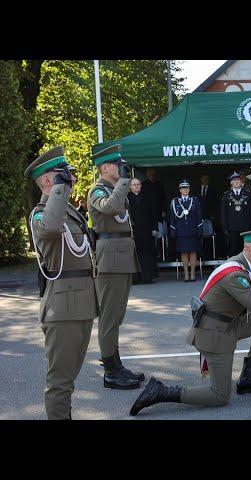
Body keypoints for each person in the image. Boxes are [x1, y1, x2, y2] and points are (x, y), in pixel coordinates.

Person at [129, 229, 251, 416]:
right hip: (214, 335)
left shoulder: (240, 264)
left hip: (226, 324)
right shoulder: (235, 274)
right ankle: (161, 392)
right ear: (250, 250)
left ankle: (248, 378)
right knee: (219, 395)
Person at [25, 146, 98, 420]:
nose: (69, 178)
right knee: (60, 382)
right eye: (61, 174)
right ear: (46, 180)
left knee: (70, 378)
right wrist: (58, 191)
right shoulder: (41, 214)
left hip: (81, 303)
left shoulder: (68, 211)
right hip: (63, 307)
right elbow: (52, 229)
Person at [88, 144, 143, 390]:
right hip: (110, 260)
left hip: (121, 257)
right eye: (117, 165)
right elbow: (111, 208)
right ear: (104, 168)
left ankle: (117, 364)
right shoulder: (97, 191)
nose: (122, 170)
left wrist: (120, 183)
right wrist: (123, 181)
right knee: (109, 318)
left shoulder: (113, 189)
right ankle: (110, 371)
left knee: (117, 316)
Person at [169, 180, 203, 282]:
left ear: (189, 189)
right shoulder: (175, 201)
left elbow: (199, 216)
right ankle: (186, 274)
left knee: (193, 252)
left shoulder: (195, 200)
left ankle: (192, 273)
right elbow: (172, 217)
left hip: (192, 230)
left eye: (187, 188)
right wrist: (172, 230)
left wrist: (200, 228)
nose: (185, 190)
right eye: (183, 188)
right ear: (180, 190)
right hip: (181, 231)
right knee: (183, 253)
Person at [220, 172, 251, 257]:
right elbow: (223, 213)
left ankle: (246, 269)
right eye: (234, 180)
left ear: (241, 182)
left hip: (246, 228)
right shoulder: (226, 196)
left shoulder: (248, 194)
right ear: (231, 182)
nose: (237, 182)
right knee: (234, 250)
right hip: (232, 228)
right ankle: (235, 269)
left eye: (238, 180)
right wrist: (225, 228)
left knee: (246, 250)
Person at [128, 178, 157, 284]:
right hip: (133, 230)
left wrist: (155, 228)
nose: (136, 186)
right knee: (134, 254)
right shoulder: (126, 199)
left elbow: (154, 213)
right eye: (134, 185)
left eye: (138, 184)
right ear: (130, 187)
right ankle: (135, 278)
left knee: (147, 254)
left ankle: (148, 277)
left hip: (147, 230)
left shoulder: (148, 197)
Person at [141, 168, 165, 276]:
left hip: (158, 217)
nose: (152, 176)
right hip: (147, 219)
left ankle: (161, 255)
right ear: (147, 175)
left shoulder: (159, 185)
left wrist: (164, 211)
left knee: (160, 238)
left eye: (154, 174)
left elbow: (163, 198)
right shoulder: (143, 185)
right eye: (150, 174)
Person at [196, 174, 218, 260]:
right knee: (198, 237)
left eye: (207, 178)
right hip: (198, 218)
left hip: (209, 218)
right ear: (200, 179)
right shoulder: (196, 189)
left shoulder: (213, 190)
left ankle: (209, 258)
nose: (205, 180)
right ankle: (200, 257)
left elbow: (215, 203)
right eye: (203, 178)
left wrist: (213, 215)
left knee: (209, 238)